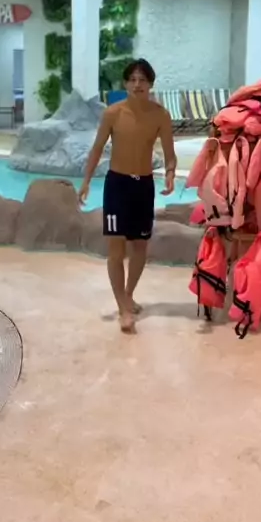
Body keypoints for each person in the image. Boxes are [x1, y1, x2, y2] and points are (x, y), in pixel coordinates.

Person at [78, 58, 177, 333]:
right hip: (117, 185)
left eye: (142, 80)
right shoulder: (113, 113)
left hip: (143, 185)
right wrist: (85, 182)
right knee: (116, 248)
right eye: (132, 79)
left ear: (150, 84)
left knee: (140, 246)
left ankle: (128, 294)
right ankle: (123, 307)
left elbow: (170, 155)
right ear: (125, 83)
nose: (137, 84)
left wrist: (170, 173)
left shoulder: (160, 115)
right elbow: (97, 149)